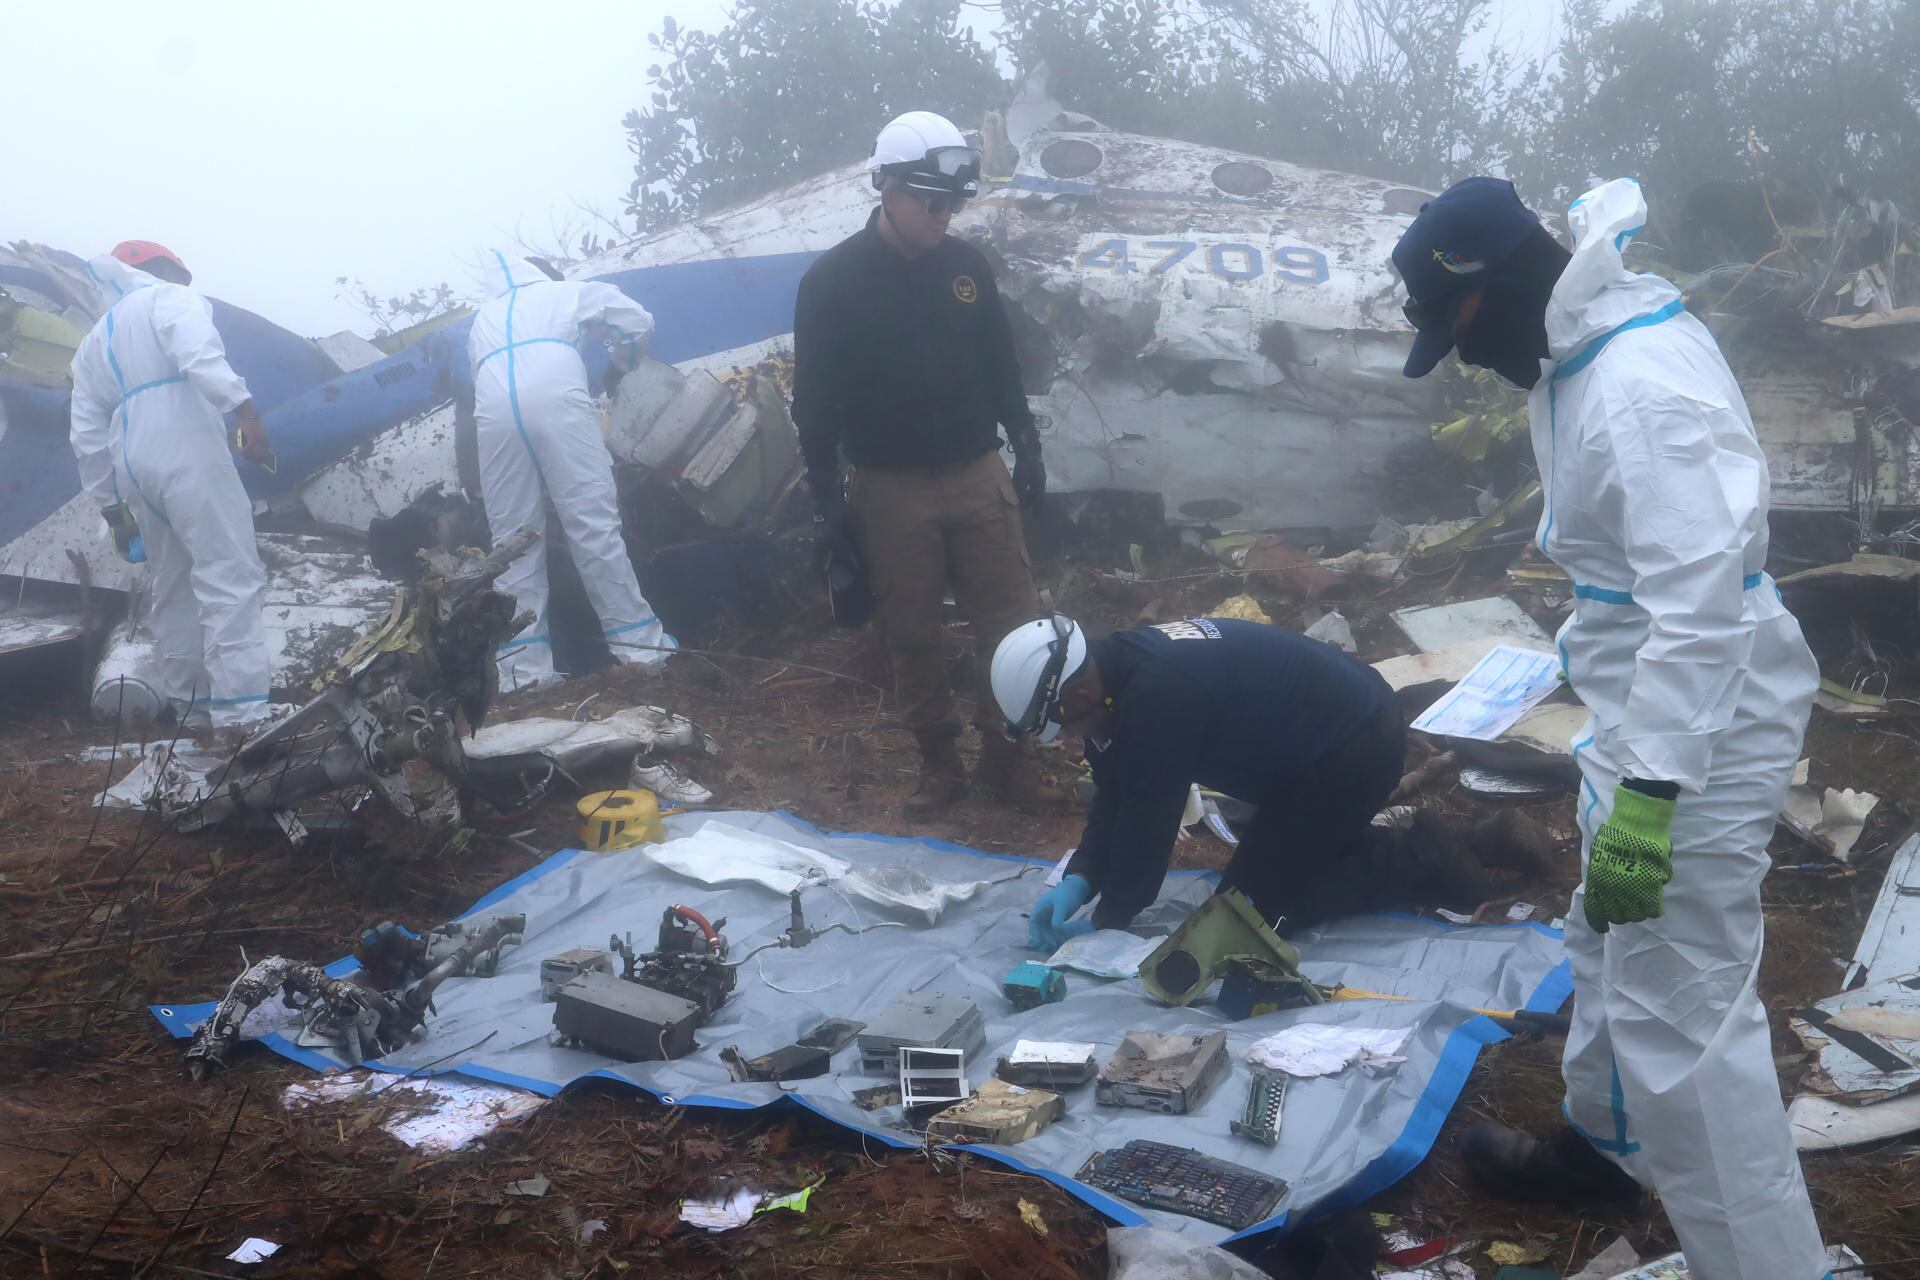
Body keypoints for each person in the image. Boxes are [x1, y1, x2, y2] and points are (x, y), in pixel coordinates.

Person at [1395, 177, 1827, 1278]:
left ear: (1490, 292)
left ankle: (1773, 1264)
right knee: (1601, 935)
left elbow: (1702, 607)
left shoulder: (1639, 386)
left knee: (1683, 1018)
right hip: (1642, 704)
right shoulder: (1582, 350)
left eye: (1455, 334)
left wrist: (1652, 792)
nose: (1465, 360)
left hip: (1700, 715)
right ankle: (1603, 1148)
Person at [791, 111, 1047, 819]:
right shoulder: (832, 283)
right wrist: (826, 501)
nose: (944, 216)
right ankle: (939, 763)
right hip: (889, 487)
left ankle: (1009, 756)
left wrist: (1026, 441)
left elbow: (1001, 362)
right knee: (911, 633)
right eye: (931, 202)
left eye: (953, 203)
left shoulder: (965, 267)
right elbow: (812, 403)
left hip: (975, 470)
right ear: (889, 189)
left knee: (1012, 624)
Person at [994, 614, 1492, 950]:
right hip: (1309, 751)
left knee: (1245, 923)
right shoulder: (1116, 671)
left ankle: (1421, 862)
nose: (1071, 740)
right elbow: (1116, 788)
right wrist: (1080, 880)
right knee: (1281, 859)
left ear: (1080, 692)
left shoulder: (1159, 700)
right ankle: (1480, 842)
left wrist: (1108, 925)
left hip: (1353, 750)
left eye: (1066, 727)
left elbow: (1148, 818)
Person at [68, 242, 274, 729]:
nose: (185, 283)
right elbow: (200, 357)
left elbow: (85, 437)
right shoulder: (169, 300)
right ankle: (241, 714)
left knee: (175, 585)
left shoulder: (93, 342)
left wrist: (113, 509)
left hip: (132, 460)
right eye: (178, 273)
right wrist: (246, 412)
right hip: (186, 443)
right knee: (229, 572)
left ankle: (192, 711)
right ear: (158, 270)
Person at [468, 252, 673, 691]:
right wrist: (624, 363)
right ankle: (641, 649)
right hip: (557, 398)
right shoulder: (565, 292)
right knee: (591, 522)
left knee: (512, 541)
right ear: (545, 275)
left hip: (494, 415)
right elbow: (635, 321)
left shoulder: (480, 320)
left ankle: (523, 673)